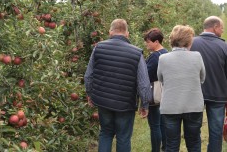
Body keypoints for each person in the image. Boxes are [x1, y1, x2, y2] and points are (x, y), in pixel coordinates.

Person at [84, 18, 151, 152]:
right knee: (123, 137)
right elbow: (144, 83)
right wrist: (145, 104)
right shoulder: (136, 53)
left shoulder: (98, 48)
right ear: (127, 33)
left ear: (110, 31)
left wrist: (90, 94)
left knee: (106, 133)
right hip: (125, 104)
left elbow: (88, 75)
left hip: (103, 101)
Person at [157, 25, 206, 152]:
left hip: (170, 106)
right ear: (189, 41)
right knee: (194, 142)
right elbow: (202, 78)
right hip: (193, 105)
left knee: (172, 144)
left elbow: (161, 79)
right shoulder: (197, 56)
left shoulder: (163, 58)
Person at [190, 16, 227, 152]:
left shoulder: (190, 43)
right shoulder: (224, 46)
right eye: (222, 28)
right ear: (215, 27)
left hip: (195, 94)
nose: (222, 31)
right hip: (218, 95)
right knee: (216, 132)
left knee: (193, 130)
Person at [143, 28, 168, 152]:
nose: (146, 44)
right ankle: (165, 147)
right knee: (162, 123)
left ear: (156, 41)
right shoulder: (166, 53)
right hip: (165, 92)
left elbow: (146, 75)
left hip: (154, 92)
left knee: (154, 125)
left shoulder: (154, 57)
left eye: (148, 42)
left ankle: (155, 149)